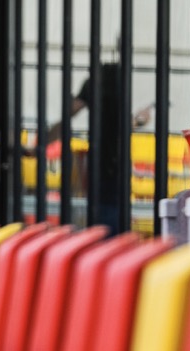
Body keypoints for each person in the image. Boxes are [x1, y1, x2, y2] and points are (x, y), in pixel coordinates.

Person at [44, 60, 152, 231]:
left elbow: (70, 113)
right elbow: (121, 127)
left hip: (100, 167)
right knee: (112, 218)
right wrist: (139, 121)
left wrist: (43, 142)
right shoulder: (118, 91)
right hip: (116, 168)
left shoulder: (94, 86)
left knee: (102, 219)